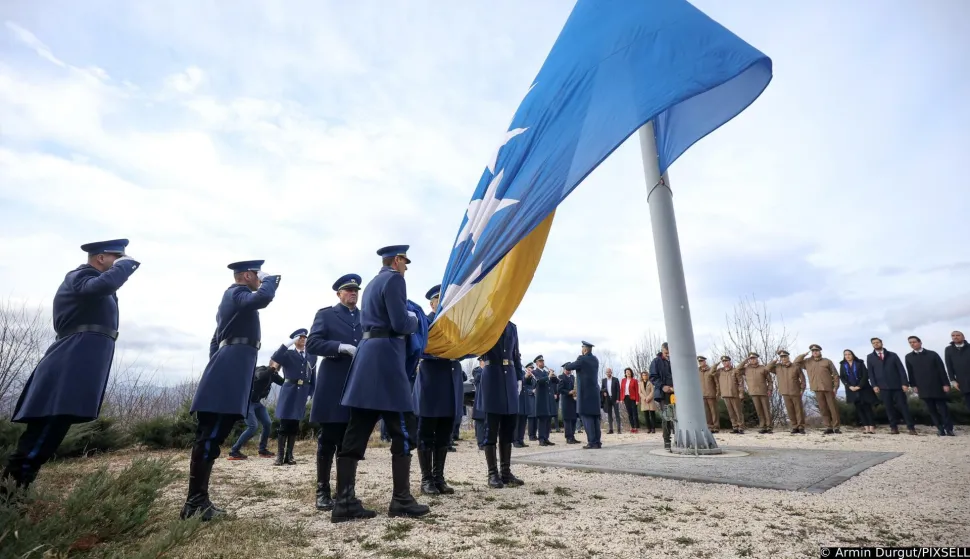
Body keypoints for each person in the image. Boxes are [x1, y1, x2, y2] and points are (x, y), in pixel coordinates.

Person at [2, 239, 140, 500]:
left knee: (49, 435)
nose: (120, 262)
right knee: (42, 434)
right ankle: (8, 499)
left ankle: (13, 497)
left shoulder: (95, 283)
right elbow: (104, 284)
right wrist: (126, 266)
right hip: (68, 363)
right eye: (116, 258)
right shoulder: (80, 276)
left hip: (78, 364)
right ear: (101, 258)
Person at [332, 245, 428, 522]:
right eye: (405, 262)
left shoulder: (373, 282)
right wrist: (415, 319)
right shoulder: (395, 279)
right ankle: (401, 500)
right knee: (404, 428)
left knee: (357, 429)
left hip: (367, 358)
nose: (406, 267)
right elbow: (400, 323)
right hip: (386, 359)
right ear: (397, 260)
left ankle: (345, 502)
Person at [182, 260, 281, 520]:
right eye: (258, 276)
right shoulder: (236, 292)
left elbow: (215, 342)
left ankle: (197, 502)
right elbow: (263, 298)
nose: (260, 281)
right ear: (247, 275)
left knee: (214, 435)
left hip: (229, 371)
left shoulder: (235, 301)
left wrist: (220, 366)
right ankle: (194, 505)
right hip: (228, 372)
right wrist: (271, 280)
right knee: (210, 435)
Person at [305, 273, 363, 511]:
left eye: (356, 290)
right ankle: (322, 491)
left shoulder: (366, 317)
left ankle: (346, 491)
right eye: (348, 290)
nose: (353, 293)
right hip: (333, 386)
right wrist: (339, 347)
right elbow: (312, 343)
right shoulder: (326, 315)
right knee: (328, 440)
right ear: (339, 293)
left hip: (358, 385)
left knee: (350, 442)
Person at [413, 284, 461, 496]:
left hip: (449, 381)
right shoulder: (424, 322)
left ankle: (439, 477)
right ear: (431, 303)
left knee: (444, 433)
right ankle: (426, 480)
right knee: (426, 431)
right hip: (430, 381)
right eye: (438, 300)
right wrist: (442, 353)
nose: (441, 304)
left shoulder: (453, 325)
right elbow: (418, 348)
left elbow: (463, 348)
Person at [479, 322, 526, 488]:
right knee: (491, 427)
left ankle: (505, 473)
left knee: (509, 426)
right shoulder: (487, 321)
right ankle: (492, 474)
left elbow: (516, 354)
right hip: (493, 375)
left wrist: (519, 376)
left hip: (510, 376)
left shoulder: (513, 327)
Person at [271, 328, 317, 465]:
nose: (303, 339)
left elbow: (313, 376)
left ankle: (289, 455)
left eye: (304, 337)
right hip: (289, 391)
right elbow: (275, 357)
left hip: (302, 392)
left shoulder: (311, 355)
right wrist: (287, 344)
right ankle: (280, 456)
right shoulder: (288, 354)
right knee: (284, 424)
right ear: (295, 340)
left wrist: (311, 392)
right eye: (300, 337)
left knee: (294, 424)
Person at [228, 362, 284, 460]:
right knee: (253, 426)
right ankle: (234, 451)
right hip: (247, 402)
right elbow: (261, 376)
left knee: (267, 423)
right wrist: (272, 369)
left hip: (257, 403)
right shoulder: (261, 369)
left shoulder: (273, 375)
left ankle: (262, 450)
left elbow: (283, 382)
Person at [904, 336, 954, 437]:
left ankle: (949, 429)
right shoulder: (908, 357)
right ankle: (940, 429)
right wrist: (913, 385)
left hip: (937, 385)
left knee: (943, 408)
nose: (912, 344)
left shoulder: (932, 354)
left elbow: (941, 369)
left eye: (914, 342)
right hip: (922, 387)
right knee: (931, 410)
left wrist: (945, 383)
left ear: (920, 342)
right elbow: (910, 373)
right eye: (910, 343)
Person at [866, 338, 916, 435]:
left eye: (877, 342)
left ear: (881, 343)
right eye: (873, 343)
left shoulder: (892, 355)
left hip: (897, 386)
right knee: (889, 408)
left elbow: (901, 369)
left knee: (903, 407)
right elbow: (871, 373)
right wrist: (874, 385)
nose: (876, 344)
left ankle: (911, 428)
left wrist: (905, 383)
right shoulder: (870, 357)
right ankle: (893, 428)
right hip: (883, 387)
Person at [793, 345, 841, 434]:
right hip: (817, 388)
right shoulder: (807, 362)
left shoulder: (827, 361)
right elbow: (796, 362)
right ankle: (828, 427)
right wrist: (804, 354)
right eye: (813, 351)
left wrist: (836, 387)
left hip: (828, 388)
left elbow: (835, 374)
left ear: (820, 351)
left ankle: (836, 427)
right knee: (823, 409)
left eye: (817, 350)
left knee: (833, 408)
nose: (815, 352)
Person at [563, 341, 601, 449]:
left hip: (585, 394)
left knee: (586, 418)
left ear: (585, 349)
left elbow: (568, 367)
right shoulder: (595, 359)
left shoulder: (582, 359)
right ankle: (597, 442)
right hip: (594, 393)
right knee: (595, 419)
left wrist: (578, 358)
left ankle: (592, 442)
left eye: (582, 348)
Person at [767, 350, 806, 434]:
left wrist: (802, 389)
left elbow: (802, 378)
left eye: (785, 356)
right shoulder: (778, 367)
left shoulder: (795, 366)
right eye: (782, 357)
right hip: (785, 392)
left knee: (798, 410)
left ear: (788, 357)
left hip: (795, 391)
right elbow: (767, 368)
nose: (783, 358)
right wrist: (775, 361)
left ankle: (801, 427)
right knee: (790, 410)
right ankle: (794, 426)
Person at [839, 350, 877, 434]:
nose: (847, 356)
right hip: (851, 389)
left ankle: (872, 427)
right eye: (845, 355)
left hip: (863, 388)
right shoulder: (842, 364)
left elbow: (865, 375)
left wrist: (859, 386)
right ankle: (866, 427)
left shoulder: (859, 362)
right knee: (859, 409)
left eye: (849, 354)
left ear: (853, 355)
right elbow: (842, 377)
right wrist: (849, 386)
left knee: (867, 408)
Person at [738, 352, 774, 434]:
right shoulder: (746, 369)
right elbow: (737, 369)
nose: (752, 360)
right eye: (751, 359)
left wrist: (770, 389)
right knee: (759, 411)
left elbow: (770, 380)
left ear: (757, 359)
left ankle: (769, 427)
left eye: (754, 358)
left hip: (763, 392)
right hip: (753, 393)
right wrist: (745, 361)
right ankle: (763, 427)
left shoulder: (763, 368)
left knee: (766, 410)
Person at [649, 343, 675, 450]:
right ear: (662, 351)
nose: (668, 355)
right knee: (667, 416)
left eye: (670, 353)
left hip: (676, 392)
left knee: (678, 415)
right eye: (666, 353)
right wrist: (663, 386)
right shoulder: (656, 361)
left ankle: (678, 437)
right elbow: (653, 377)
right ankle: (667, 440)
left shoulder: (674, 360)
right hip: (664, 393)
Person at [532, 355, 557, 446]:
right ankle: (541, 439)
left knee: (548, 419)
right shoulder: (535, 372)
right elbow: (539, 381)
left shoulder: (546, 372)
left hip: (548, 399)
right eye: (541, 361)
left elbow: (556, 381)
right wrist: (549, 376)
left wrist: (553, 375)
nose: (543, 363)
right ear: (537, 363)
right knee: (542, 419)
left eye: (543, 361)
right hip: (541, 398)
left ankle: (546, 438)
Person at [716, 357, 744, 434]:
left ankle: (740, 427)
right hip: (725, 394)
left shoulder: (735, 371)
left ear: (729, 361)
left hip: (734, 394)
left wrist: (741, 393)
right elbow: (711, 372)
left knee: (738, 411)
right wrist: (716, 364)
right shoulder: (720, 371)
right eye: (723, 361)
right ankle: (734, 427)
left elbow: (740, 383)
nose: (725, 363)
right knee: (731, 412)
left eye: (726, 361)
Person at [944, 331, 970, 411]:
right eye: (953, 336)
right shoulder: (948, 349)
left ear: (963, 337)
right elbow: (949, 366)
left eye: (958, 335)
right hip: (962, 380)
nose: (955, 337)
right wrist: (953, 380)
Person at [513, 363, 536, 448]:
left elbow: (528, 384)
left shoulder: (522, 372)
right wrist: (525, 377)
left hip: (524, 399)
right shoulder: (512, 371)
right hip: (517, 400)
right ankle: (515, 440)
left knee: (523, 421)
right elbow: (517, 383)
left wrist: (529, 376)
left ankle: (521, 439)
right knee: (517, 422)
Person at [697, 357, 720, 433]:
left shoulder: (711, 370)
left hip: (711, 394)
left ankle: (716, 427)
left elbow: (716, 382)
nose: (700, 362)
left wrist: (717, 393)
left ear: (705, 361)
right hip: (702, 395)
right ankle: (709, 426)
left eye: (702, 361)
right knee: (706, 412)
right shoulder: (697, 371)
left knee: (714, 412)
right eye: (699, 361)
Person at [558, 366, 579, 443]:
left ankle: (572, 436)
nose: (569, 370)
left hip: (573, 400)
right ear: (564, 369)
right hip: (566, 401)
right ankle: (568, 437)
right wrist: (568, 392)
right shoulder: (561, 377)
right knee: (567, 419)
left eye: (570, 369)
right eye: (568, 369)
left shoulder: (573, 377)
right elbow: (559, 389)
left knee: (573, 419)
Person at [472, 357, 487, 449]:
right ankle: (481, 443)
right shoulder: (477, 371)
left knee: (488, 423)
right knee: (480, 422)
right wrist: (485, 369)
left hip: (488, 399)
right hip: (480, 399)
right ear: (481, 362)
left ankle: (487, 442)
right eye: (484, 361)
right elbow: (478, 378)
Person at [600, 368, 622, 434]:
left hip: (615, 399)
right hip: (607, 399)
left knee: (617, 414)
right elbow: (602, 389)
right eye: (607, 372)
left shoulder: (615, 379)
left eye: (609, 372)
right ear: (606, 373)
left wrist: (618, 399)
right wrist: (603, 392)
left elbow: (618, 390)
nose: (608, 373)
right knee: (609, 415)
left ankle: (619, 429)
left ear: (611, 372)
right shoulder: (604, 380)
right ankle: (611, 429)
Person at [619, 367, 640, 433]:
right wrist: (621, 399)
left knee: (634, 413)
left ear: (631, 373)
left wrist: (637, 400)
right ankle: (632, 427)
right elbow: (621, 390)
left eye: (629, 371)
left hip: (633, 398)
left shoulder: (635, 380)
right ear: (625, 373)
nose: (628, 373)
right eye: (626, 372)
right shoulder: (623, 380)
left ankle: (636, 427)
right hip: (626, 398)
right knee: (629, 413)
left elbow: (637, 391)